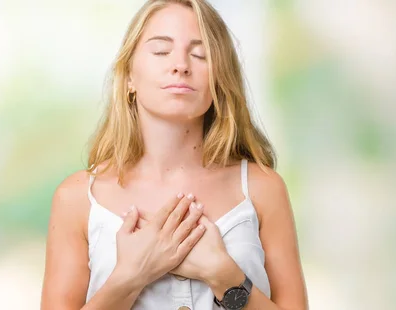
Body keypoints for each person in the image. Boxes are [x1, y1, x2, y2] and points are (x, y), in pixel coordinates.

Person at [40, 0, 308, 309]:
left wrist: (223, 274)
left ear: (219, 80)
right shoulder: (76, 199)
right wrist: (130, 276)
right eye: (161, 51)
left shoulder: (263, 188)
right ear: (129, 77)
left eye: (200, 54)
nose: (181, 65)